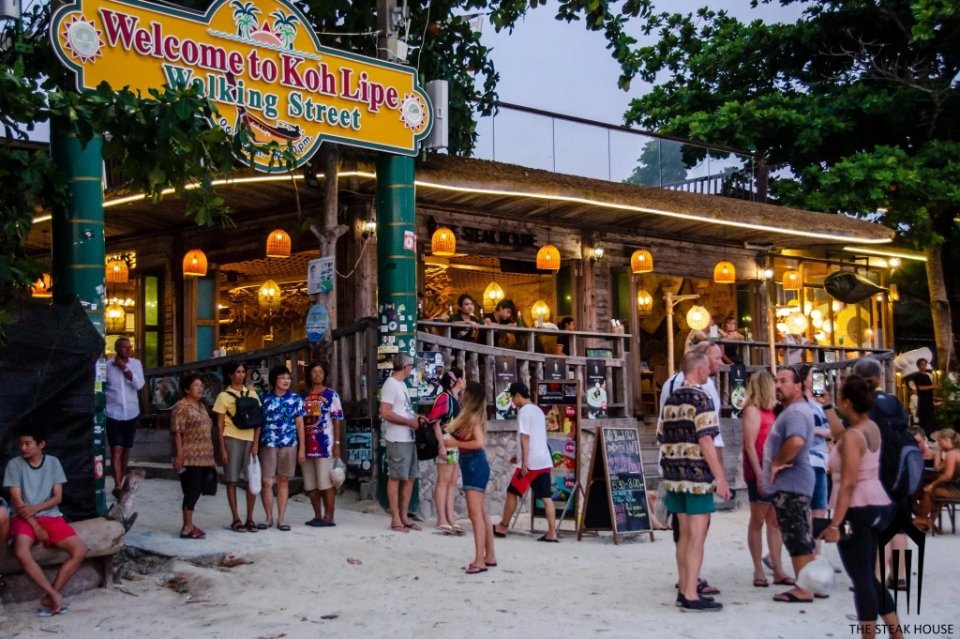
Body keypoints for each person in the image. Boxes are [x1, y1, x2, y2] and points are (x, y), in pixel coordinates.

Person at [819, 375, 903, 639]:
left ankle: (869, 634)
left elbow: (848, 483)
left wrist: (834, 524)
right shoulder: (870, 427)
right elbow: (841, 436)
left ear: (847, 402)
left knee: (862, 579)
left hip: (856, 505)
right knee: (869, 576)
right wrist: (827, 408)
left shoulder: (855, 436)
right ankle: (896, 632)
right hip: (877, 500)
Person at [658, 350, 730, 612]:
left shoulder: (670, 399)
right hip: (697, 477)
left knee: (684, 536)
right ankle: (690, 592)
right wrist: (720, 476)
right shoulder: (703, 398)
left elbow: (660, 436)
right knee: (697, 537)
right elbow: (706, 438)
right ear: (699, 369)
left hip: (674, 476)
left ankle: (684, 587)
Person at [3, 424, 88, 616]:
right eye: (21, 444)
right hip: (23, 518)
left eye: (28, 443)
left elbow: (57, 498)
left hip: (50, 516)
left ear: (41, 444)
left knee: (80, 550)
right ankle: (52, 594)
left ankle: (51, 596)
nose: (23, 448)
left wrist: (36, 508)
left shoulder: (53, 463)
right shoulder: (14, 465)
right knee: (21, 552)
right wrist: (34, 524)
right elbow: (17, 502)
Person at [762, 366, 817, 603]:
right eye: (776, 380)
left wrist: (776, 463)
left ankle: (804, 588)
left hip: (793, 483)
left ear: (798, 386)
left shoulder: (795, 412)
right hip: (790, 484)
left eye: (784, 381)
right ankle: (808, 583)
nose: (777, 385)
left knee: (796, 534)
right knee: (796, 532)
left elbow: (795, 441)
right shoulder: (791, 411)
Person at [741, 371, 793, 588]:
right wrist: (760, 474)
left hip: (774, 470)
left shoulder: (771, 411)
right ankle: (758, 569)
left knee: (775, 521)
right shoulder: (752, 411)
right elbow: (750, 446)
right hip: (759, 470)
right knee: (758, 519)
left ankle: (778, 568)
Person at [443, 381, 498, 574]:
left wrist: (456, 443)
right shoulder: (473, 416)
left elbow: (479, 443)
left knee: (475, 515)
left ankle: (479, 560)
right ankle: (489, 555)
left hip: (473, 465)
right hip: (475, 465)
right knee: (482, 513)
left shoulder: (472, 418)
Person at [493, 382, 558, 542]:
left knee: (512, 492)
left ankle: (503, 526)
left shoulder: (524, 412)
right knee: (546, 497)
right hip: (543, 459)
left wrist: (524, 462)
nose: (512, 402)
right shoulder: (538, 410)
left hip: (531, 463)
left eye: (512, 398)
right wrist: (519, 455)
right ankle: (552, 532)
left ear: (518, 396)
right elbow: (537, 436)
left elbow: (525, 437)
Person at [213, 362, 261, 533]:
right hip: (231, 438)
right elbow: (219, 425)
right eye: (237, 372)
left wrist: (256, 443)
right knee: (231, 480)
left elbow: (258, 421)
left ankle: (250, 518)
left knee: (251, 481)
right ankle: (235, 518)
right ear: (230, 375)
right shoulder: (223, 397)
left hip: (249, 439)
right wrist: (222, 448)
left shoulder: (252, 394)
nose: (241, 375)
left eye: (242, 372)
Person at [257, 365, 306, 532]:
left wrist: (302, 448)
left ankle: (281, 519)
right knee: (266, 482)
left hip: (289, 444)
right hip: (268, 443)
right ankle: (268, 517)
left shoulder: (295, 399)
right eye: (282, 377)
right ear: (274, 380)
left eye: (288, 377)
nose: (286, 381)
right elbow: (258, 423)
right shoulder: (263, 398)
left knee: (283, 481)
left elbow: (300, 425)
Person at [380, 353, 424, 532]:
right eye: (411, 366)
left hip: (409, 437)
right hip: (398, 438)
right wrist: (408, 422)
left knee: (410, 477)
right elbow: (385, 412)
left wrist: (417, 418)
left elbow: (404, 410)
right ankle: (395, 517)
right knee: (396, 477)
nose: (411, 369)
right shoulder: (390, 385)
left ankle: (404, 515)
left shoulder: (402, 385)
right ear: (405, 366)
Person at [171, 373, 217, 540]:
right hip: (190, 456)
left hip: (205, 456)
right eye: (196, 385)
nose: (200, 388)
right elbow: (177, 432)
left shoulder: (201, 406)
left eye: (201, 385)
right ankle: (187, 527)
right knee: (192, 490)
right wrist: (179, 455)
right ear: (186, 389)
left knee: (197, 491)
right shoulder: (182, 407)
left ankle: (188, 524)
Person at [301, 361, 344, 527]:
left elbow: (337, 421)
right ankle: (317, 515)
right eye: (314, 372)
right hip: (306, 445)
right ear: (309, 375)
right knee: (310, 484)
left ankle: (329, 516)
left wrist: (337, 443)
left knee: (325, 483)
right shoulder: (302, 397)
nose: (317, 375)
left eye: (320, 372)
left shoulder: (331, 395)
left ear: (325, 375)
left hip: (325, 445)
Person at [104, 336, 145, 499]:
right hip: (113, 412)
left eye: (130, 347)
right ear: (117, 349)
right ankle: (118, 484)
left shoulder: (136, 364)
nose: (128, 350)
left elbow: (139, 385)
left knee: (126, 448)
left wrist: (124, 369)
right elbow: (100, 385)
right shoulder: (107, 366)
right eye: (124, 347)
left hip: (131, 411)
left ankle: (122, 476)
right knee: (116, 448)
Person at [427, 367, 465, 534]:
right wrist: (440, 445)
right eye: (463, 378)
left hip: (455, 444)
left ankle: (450, 517)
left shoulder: (455, 398)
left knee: (452, 481)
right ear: (456, 380)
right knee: (444, 480)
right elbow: (435, 421)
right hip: (446, 443)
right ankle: (441, 518)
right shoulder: (444, 398)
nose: (465, 381)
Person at [799, 365, 832, 555]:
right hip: (806, 457)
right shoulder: (800, 402)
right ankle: (805, 551)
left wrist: (817, 431)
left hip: (821, 457)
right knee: (805, 508)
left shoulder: (821, 402)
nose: (816, 378)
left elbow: (831, 429)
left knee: (820, 507)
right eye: (813, 374)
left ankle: (816, 552)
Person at [914, 428, 960, 533]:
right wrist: (939, 451)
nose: (937, 443)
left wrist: (933, 484)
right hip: (954, 487)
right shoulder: (952, 452)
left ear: (945, 439)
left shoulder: (952, 454)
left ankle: (923, 519)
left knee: (929, 491)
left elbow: (947, 475)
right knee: (932, 490)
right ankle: (928, 520)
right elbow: (937, 468)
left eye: (939, 441)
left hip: (956, 490)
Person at [905, 358, 938, 437]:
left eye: (925, 364)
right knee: (924, 420)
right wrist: (932, 386)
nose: (924, 366)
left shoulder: (927, 376)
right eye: (922, 364)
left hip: (929, 402)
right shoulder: (917, 376)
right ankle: (923, 437)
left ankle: (928, 436)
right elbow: (920, 388)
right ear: (919, 366)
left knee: (930, 420)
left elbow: (929, 391)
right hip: (923, 402)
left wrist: (936, 398)